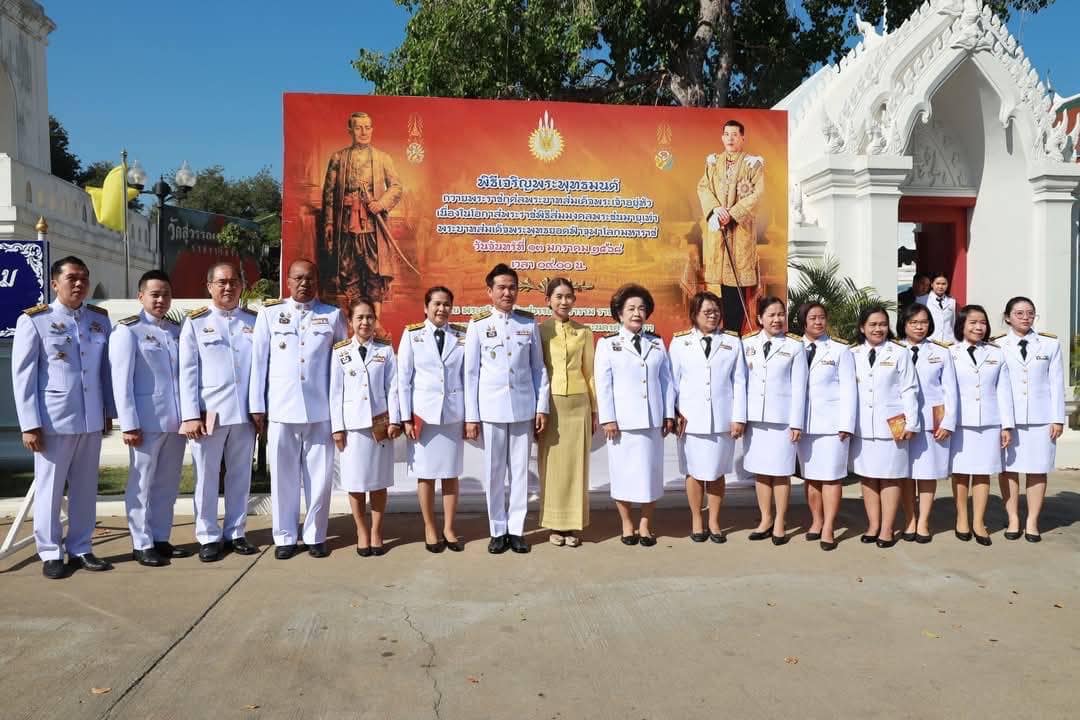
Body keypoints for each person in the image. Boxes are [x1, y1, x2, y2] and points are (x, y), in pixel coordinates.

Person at [12, 256, 116, 579]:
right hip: (53, 421)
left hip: (90, 418)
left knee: (86, 487)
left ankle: (81, 546)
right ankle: (51, 551)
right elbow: (23, 376)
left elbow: (105, 372)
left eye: (84, 277)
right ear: (55, 283)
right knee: (50, 488)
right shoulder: (35, 321)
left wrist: (108, 411)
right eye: (72, 277)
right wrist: (29, 424)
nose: (79, 283)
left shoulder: (99, 320)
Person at [248, 259, 346, 560]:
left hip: (320, 410)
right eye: (298, 278)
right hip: (281, 409)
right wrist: (257, 406)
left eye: (310, 278)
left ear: (317, 281)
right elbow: (258, 363)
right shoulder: (270, 314)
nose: (304, 283)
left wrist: (339, 413)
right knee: (283, 477)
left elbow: (342, 366)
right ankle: (285, 536)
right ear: (288, 281)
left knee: (320, 478)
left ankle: (315, 535)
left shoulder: (332, 315)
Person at [464, 263, 550, 554]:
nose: (507, 292)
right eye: (501, 287)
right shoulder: (477, 325)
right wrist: (472, 416)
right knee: (495, 471)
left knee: (520, 472)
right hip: (491, 410)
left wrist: (541, 407)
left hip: (523, 408)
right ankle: (497, 530)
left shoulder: (528, 323)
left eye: (512, 287)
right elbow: (471, 374)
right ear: (490, 291)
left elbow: (538, 369)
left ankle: (517, 529)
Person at [179, 262, 260, 563]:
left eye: (234, 282)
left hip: (244, 414)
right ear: (209, 286)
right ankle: (208, 535)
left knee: (240, 476)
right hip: (208, 413)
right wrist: (190, 415)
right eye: (222, 282)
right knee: (207, 476)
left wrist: (259, 409)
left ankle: (236, 532)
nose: (228, 287)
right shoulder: (197, 322)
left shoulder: (253, 320)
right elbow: (187, 371)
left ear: (241, 285)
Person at [110, 269, 188, 567]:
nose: (161, 299)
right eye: (154, 294)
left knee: (167, 484)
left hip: (175, 420)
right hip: (145, 421)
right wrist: (128, 423)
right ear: (140, 296)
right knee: (141, 483)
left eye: (166, 294)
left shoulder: (175, 330)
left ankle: (159, 537)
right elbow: (122, 381)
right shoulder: (128, 331)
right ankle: (141, 543)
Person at [594, 284, 675, 546]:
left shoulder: (657, 342)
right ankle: (627, 523)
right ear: (619, 313)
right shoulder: (608, 344)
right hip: (622, 424)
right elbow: (603, 384)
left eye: (641, 308)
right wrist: (608, 418)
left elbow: (667, 381)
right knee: (623, 475)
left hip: (652, 421)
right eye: (630, 308)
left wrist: (668, 414)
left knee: (650, 474)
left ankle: (645, 524)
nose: (636, 313)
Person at [670, 291, 746, 544]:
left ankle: (714, 520)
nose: (712, 316)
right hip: (690, 419)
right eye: (707, 312)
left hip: (722, 418)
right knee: (693, 471)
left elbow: (740, 382)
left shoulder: (733, 342)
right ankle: (696, 519)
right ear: (695, 314)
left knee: (716, 472)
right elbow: (672, 382)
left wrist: (739, 417)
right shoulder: (680, 342)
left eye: (716, 311)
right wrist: (673, 412)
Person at [331, 297, 402, 557]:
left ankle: (376, 531)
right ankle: (361, 530)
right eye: (359, 317)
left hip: (379, 427)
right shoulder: (340, 352)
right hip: (352, 428)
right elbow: (335, 393)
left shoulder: (384, 350)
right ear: (350, 322)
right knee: (356, 483)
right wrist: (337, 428)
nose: (365, 322)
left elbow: (393, 389)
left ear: (375, 321)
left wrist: (395, 420)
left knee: (379, 482)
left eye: (369, 317)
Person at [398, 286, 466, 553]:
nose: (442, 309)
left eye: (447, 304)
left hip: (451, 414)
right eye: (437, 304)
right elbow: (403, 380)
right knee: (425, 476)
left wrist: (470, 416)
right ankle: (429, 526)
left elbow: (467, 378)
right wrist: (405, 417)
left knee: (450, 475)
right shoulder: (412, 335)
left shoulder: (461, 336)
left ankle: (449, 527)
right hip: (422, 416)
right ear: (426, 307)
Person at [850, 305, 920, 549]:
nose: (878, 329)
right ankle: (873, 525)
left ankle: (888, 528)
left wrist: (912, 422)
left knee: (891, 477)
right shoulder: (852, 353)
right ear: (862, 328)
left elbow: (910, 389)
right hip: (863, 426)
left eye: (882, 324)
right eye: (873, 325)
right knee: (868, 477)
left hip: (894, 424)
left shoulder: (899, 353)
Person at [995, 297, 1065, 542]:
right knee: (1008, 470)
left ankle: (1032, 520)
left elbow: (1056, 383)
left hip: (1041, 418)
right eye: (1019, 313)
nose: (1025, 317)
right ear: (1007, 317)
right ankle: (1013, 517)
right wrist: (1003, 421)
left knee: (1038, 470)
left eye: (1030, 313)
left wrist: (1058, 418)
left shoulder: (1049, 345)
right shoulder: (997, 346)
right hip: (1008, 419)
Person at [742, 296, 807, 545]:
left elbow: (800, 387)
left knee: (780, 473)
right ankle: (765, 519)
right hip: (756, 420)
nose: (777, 319)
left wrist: (797, 422)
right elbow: (742, 382)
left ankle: (780, 520)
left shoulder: (794, 346)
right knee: (761, 472)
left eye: (780, 314)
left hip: (783, 420)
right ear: (760, 318)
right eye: (771, 314)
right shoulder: (746, 343)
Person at [322, 111, 404, 308]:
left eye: (367, 127)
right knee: (348, 268)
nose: (363, 132)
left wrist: (381, 203)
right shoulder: (338, 158)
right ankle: (356, 315)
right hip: (345, 223)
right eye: (358, 127)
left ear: (372, 130)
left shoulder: (383, 158)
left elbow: (396, 187)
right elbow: (329, 193)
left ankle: (376, 321)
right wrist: (329, 222)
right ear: (350, 130)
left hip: (373, 223)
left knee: (374, 269)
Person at [537, 278, 596, 548]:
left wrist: (595, 410)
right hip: (550, 406)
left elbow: (590, 373)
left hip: (579, 404)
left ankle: (574, 524)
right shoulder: (538, 331)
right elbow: (536, 373)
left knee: (577, 466)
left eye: (569, 296)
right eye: (558, 296)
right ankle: (554, 524)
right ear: (548, 299)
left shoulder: (584, 332)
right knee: (552, 467)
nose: (564, 301)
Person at [949, 304, 1014, 546]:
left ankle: (978, 521)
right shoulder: (950, 352)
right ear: (962, 325)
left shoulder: (996, 353)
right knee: (961, 473)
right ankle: (961, 519)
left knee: (983, 473)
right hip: (960, 422)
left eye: (983, 322)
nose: (978, 327)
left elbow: (1003, 391)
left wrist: (1007, 425)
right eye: (973, 322)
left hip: (989, 421)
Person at [795, 302, 856, 551]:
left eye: (822, 317)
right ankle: (816, 521)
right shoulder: (792, 347)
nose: (818, 322)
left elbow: (849, 389)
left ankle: (829, 526)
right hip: (803, 425)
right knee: (812, 479)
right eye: (812, 318)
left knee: (831, 478)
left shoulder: (840, 349)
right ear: (803, 322)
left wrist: (846, 424)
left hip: (832, 426)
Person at [696, 119, 765, 333]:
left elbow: (758, 194)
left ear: (742, 138)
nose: (730, 138)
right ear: (722, 137)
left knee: (736, 292)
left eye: (735, 135)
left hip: (740, 231)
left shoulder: (752, 164)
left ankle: (734, 335)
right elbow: (703, 187)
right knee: (717, 292)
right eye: (726, 134)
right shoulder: (713, 163)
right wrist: (716, 210)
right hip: (719, 231)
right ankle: (715, 334)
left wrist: (733, 214)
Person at [898, 303, 957, 543]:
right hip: (902, 422)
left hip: (932, 422)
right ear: (904, 324)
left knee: (927, 473)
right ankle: (909, 519)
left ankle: (923, 521)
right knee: (905, 475)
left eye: (923, 322)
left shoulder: (941, 352)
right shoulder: (894, 349)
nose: (920, 327)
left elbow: (950, 390)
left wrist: (948, 422)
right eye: (914, 323)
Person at [916, 272, 958, 344]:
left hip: (949, 342)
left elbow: (953, 322)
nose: (941, 287)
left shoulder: (952, 301)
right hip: (930, 341)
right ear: (932, 284)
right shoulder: (922, 300)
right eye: (938, 283)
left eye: (944, 284)